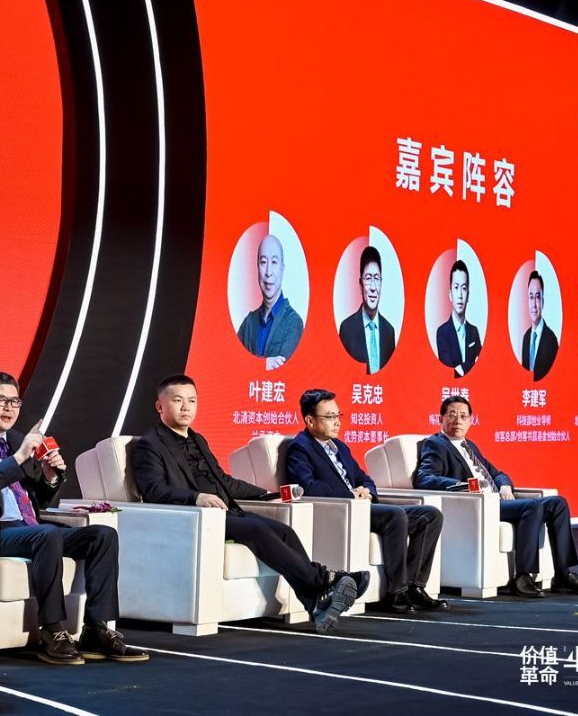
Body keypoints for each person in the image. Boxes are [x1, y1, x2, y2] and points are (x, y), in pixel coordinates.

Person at [130, 374, 369, 632]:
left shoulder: (198, 440)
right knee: (257, 530)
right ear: (160, 406)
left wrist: (268, 494)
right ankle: (328, 579)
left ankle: (315, 602)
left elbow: (224, 481)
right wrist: (196, 497)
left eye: (192, 401)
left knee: (284, 531)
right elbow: (154, 490)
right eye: (178, 401)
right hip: (196, 519)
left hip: (227, 512)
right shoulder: (149, 445)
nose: (186, 407)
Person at [0, 372, 147, 665]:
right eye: (0, 400)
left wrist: (50, 478)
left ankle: (96, 629)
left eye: (14, 402)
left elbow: (40, 502)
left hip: (29, 527)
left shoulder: (16, 440)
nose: (9, 408)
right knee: (45, 535)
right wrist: (19, 458)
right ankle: (52, 630)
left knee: (102, 535)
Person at [414, 396, 578, 598]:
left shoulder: (469, 446)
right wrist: (463, 486)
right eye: (452, 415)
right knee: (532, 507)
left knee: (558, 503)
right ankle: (523, 577)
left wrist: (505, 486)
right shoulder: (435, 444)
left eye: (463, 416)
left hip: (498, 500)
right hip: (479, 505)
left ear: (471, 421)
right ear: (440, 418)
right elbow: (424, 478)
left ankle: (563, 573)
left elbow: (497, 473)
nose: (458, 421)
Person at [285, 389, 447, 614]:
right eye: (330, 417)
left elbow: (364, 478)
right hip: (341, 511)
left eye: (338, 415)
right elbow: (308, 487)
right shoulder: (300, 448)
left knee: (430, 515)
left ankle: (414, 587)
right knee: (395, 515)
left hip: (363, 506)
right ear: (310, 420)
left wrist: (368, 492)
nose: (337, 422)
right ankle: (396, 593)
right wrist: (350, 495)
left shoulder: (339, 446)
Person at [236, 233, 304, 370]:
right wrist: (264, 364)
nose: (268, 272)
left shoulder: (294, 323)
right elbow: (232, 364)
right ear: (257, 267)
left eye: (274, 262)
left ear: (282, 269)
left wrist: (250, 363)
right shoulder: (248, 323)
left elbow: (283, 372)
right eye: (263, 262)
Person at [337, 246, 397, 373]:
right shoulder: (347, 329)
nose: (373, 288)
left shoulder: (389, 331)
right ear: (360, 284)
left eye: (376, 279)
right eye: (368, 278)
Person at [435, 259, 482, 377]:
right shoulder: (442, 332)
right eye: (456, 288)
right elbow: (452, 373)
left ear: (468, 295)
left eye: (464, 288)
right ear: (450, 294)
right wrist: (473, 363)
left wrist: (462, 367)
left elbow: (482, 367)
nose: (460, 295)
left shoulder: (474, 332)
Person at [520, 271, 558, 381]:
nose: (534, 305)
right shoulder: (526, 338)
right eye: (531, 297)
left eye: (537, 297)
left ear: (543, 302)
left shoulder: (551, 340)